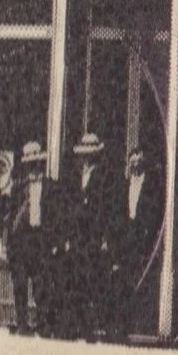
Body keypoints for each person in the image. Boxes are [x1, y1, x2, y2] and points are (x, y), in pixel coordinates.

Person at [56, 132, 121, 341]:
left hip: (94, 235)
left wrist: (105, 238)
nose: (86, 158)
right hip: (77, 236)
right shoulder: (75, 176)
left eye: (90, 154)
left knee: (95, 281)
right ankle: (77, 326)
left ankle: (99, 329)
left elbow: (109, 209)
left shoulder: (106, 176)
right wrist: (66, 236)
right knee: (76, 281)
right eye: (84, 154)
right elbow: (67, 206)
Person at [108, 143, 165, 343]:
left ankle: (137, 326)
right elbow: (117, 213)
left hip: (142, 238)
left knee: (137, 280)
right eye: (132, 161)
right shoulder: (124, 185)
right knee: (121, 282)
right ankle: (119, 327)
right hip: (124, 239)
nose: (134, 164)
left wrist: (147, 235)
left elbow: (155, 213)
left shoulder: (151, 186)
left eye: (138, 161)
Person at [0, 139, 54, 335]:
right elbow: (9, 216)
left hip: (39, 239)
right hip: (21, 241)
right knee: (20, 283)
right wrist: (7, 244)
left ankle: (42, 323)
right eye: (30, 165)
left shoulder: (49, 187)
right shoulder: (18, 187)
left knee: (41, 284)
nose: (33, 169)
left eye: (36, 164)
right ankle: (22, 323)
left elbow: (54, 216)